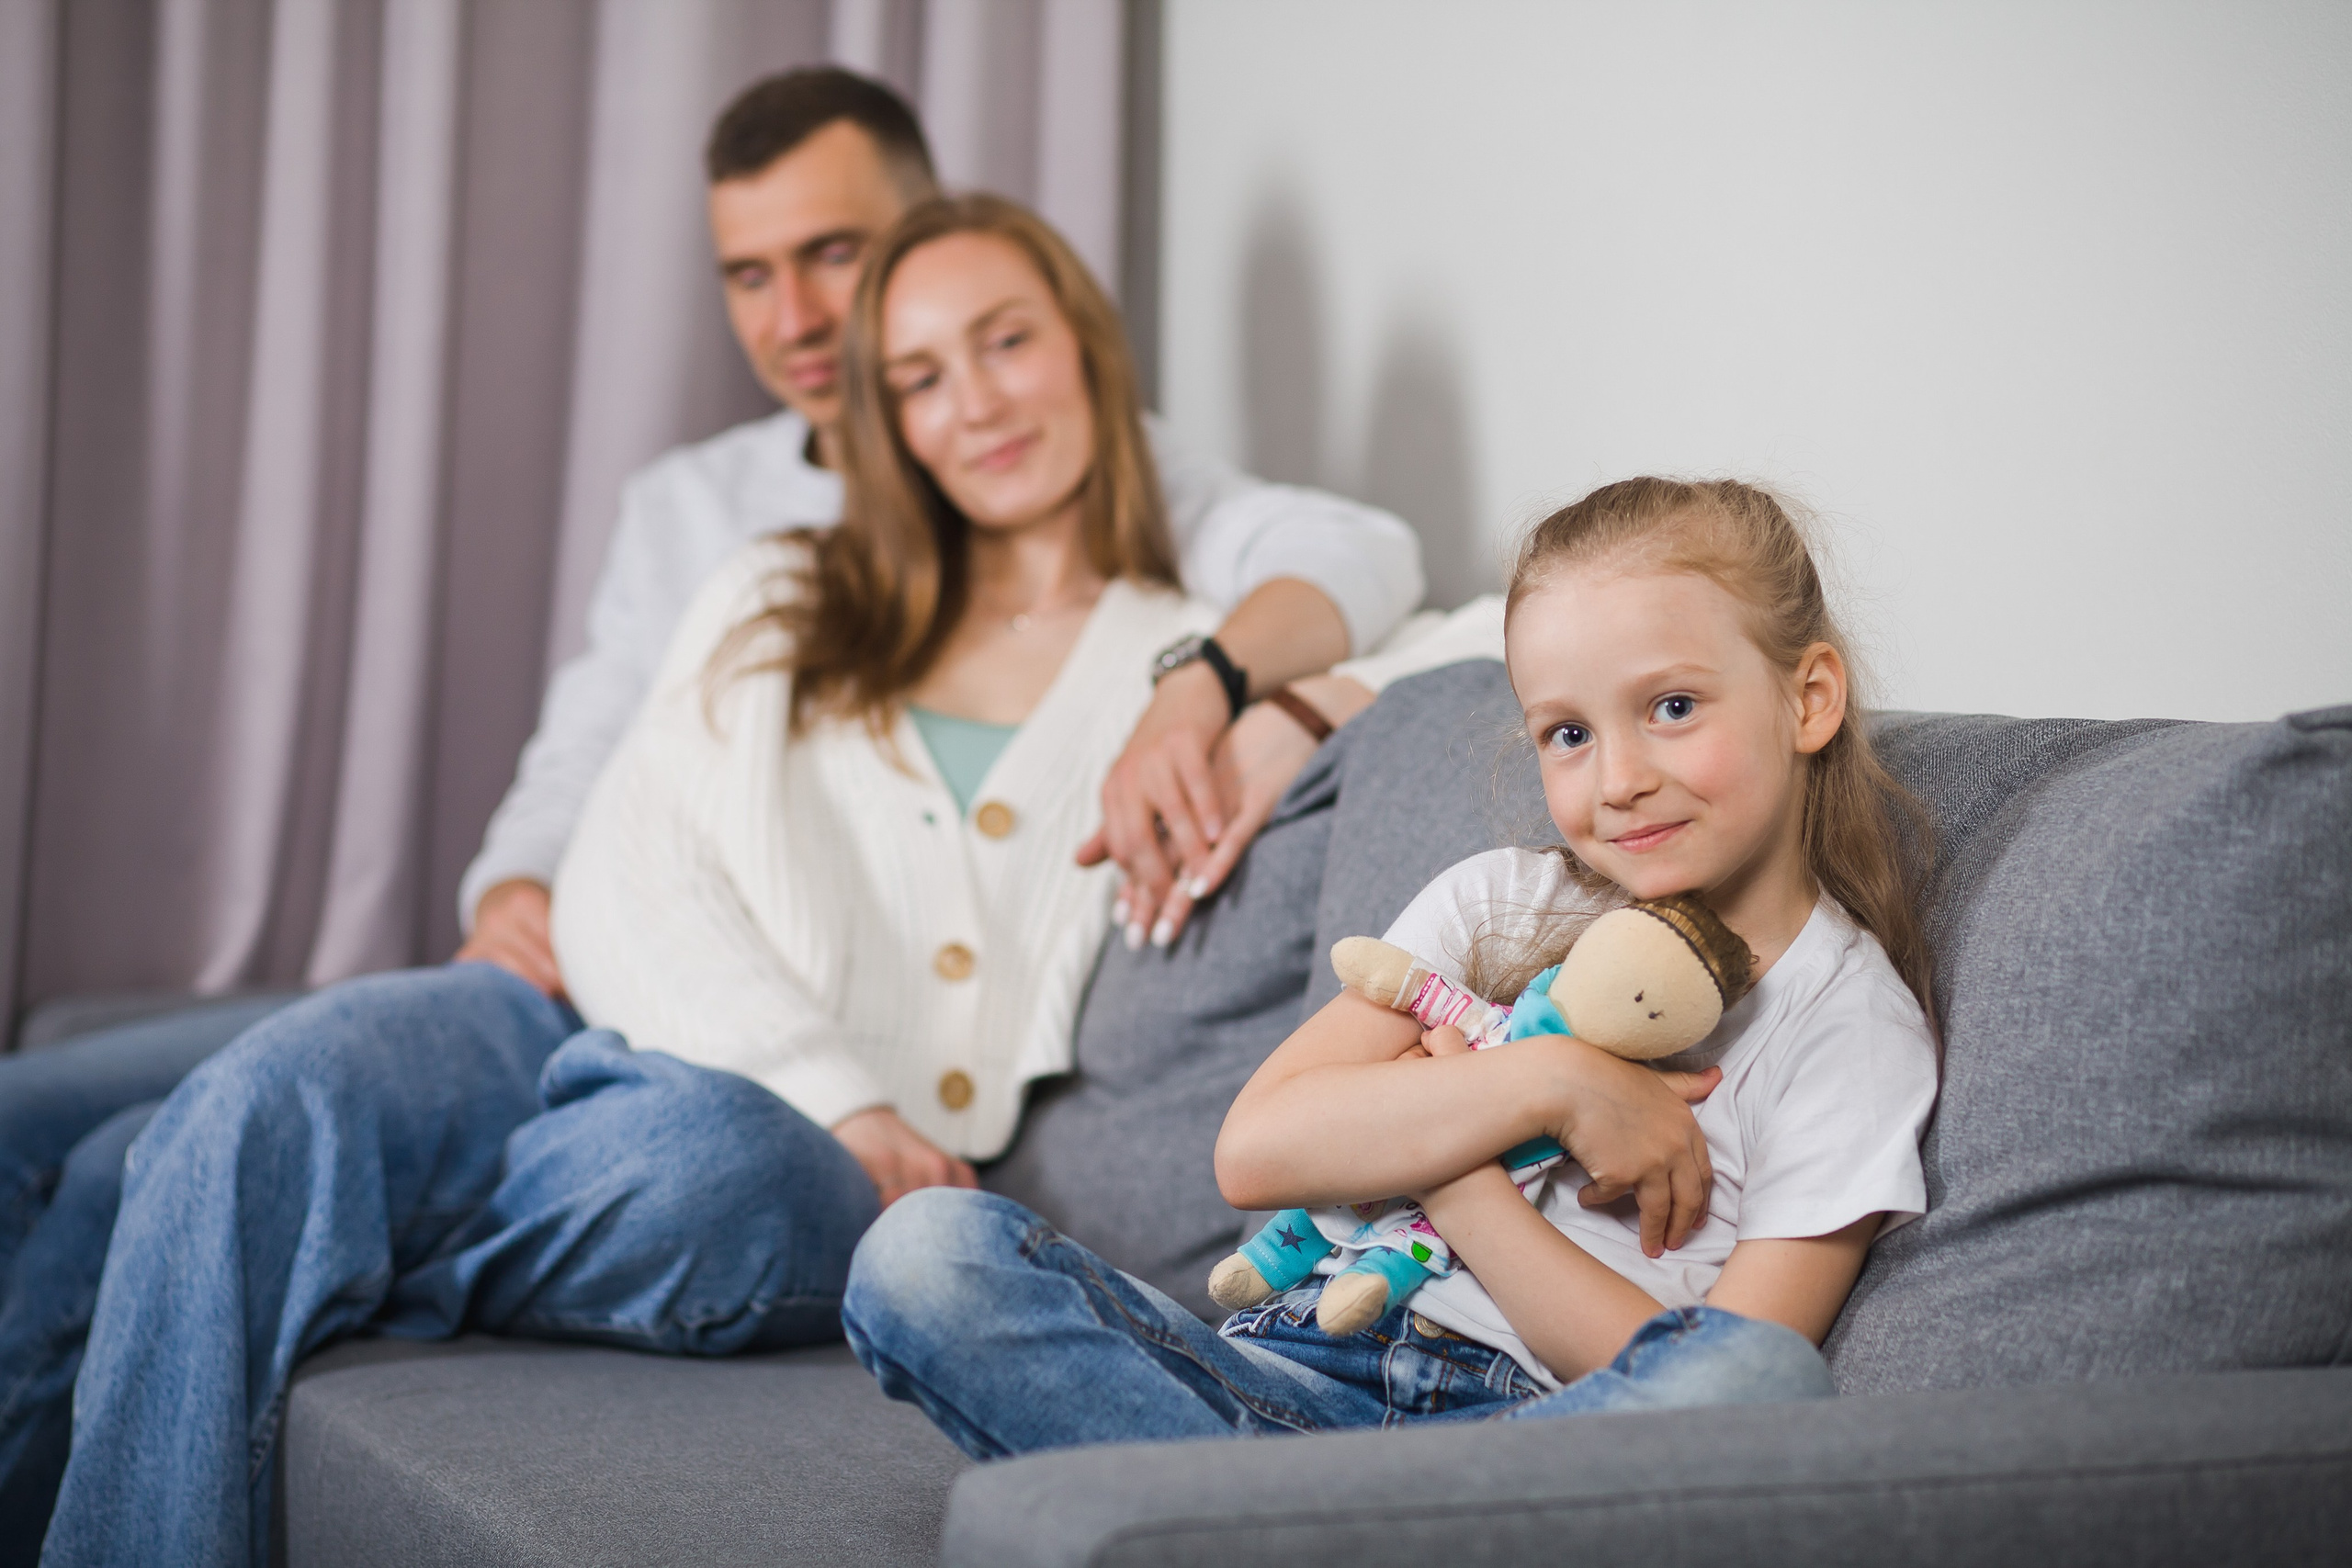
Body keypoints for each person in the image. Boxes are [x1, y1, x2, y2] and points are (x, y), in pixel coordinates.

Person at [0, 69, 1438, 1559]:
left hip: (754, 1140)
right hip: (571, 1023)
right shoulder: (779, 585)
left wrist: (1266, 699)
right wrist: (842, 1090)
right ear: (884, 420)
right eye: (923, 377)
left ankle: (315, 1238)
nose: (979, 401)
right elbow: (626, 848)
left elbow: (1461, 618)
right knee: (247, 1112)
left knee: (712, 1172)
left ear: (1086, 344)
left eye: (1007, 342)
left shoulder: (1181, 620)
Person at [842, 477, 1942, 1453]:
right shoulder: (1505, 898)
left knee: (1754, 1383)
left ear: (1808, 698)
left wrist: (1458, 1183)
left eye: (1670, 708)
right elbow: (1257, 1150)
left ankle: (1263, 1531)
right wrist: (1556, 1083)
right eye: (1567, 733)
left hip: (1523, 1441)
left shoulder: (1847, 1026)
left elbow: (1726, 1376)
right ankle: (1289, 1526)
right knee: (921, 1255)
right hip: (1278, 1384)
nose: (1617, 779)